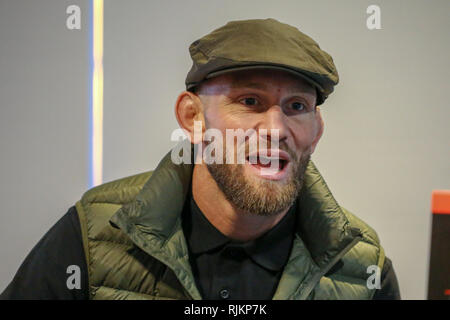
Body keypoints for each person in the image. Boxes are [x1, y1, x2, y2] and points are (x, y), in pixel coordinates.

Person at [1, 18, 400, 300]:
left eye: (297, 106)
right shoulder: (95, 236)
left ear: (316, 131)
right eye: (249, 101)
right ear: (192, 118)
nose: (277, 128)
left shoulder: (361, 266)